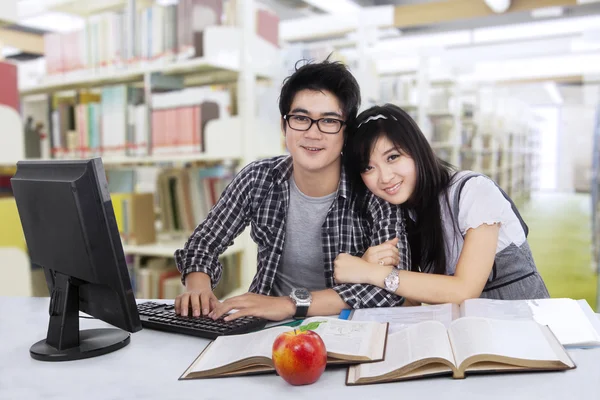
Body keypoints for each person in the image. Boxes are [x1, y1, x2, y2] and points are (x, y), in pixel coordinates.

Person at [174, 61, 410, 322]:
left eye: (329, 121)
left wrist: (289, 304)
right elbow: (203, 243)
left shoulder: (372, 187)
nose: (312, 133)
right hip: (267, 328)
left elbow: (392, 288)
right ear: (283, 125)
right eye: (300, 118)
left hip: (347, 328)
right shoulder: (258, 178)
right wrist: (198, 289)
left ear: (347, 132)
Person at [334, 103, 549, 303]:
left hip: (522, 326)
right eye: (368, 168)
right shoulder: (402, 213)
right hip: (465, 331)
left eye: (392, 157)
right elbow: (411, 303)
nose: (385, 177)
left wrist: (371, 273)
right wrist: (368, 265)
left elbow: (464, 291)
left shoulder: (473, 191)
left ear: (417, 150)